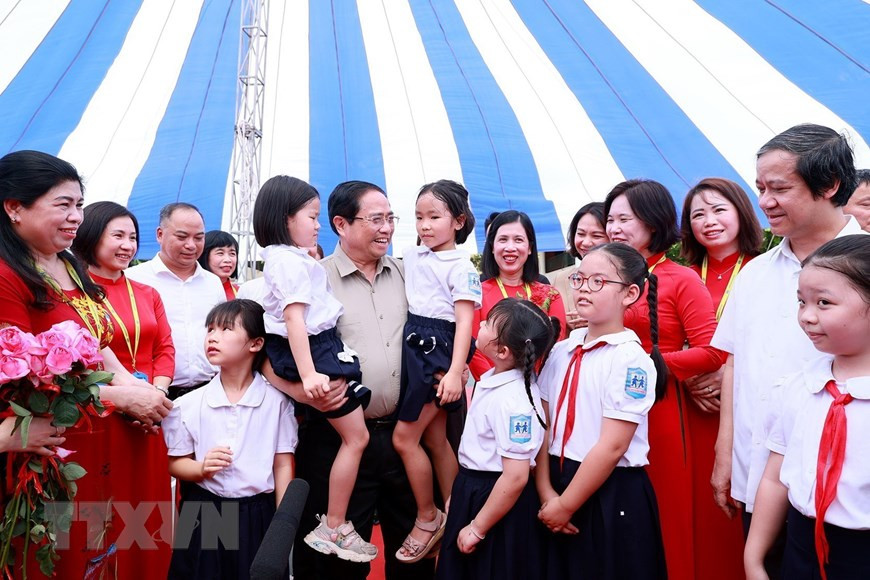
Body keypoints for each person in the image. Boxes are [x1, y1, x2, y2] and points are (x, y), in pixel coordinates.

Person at [0, 150, 172, 576]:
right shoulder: (8, 275)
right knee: (55, 555)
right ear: (14, 208)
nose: (76, 216)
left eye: (78, 204)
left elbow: (97, 344)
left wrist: (139, 392)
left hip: (90, 433)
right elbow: (17, 374)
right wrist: (121, 397)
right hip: (36, 444)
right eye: (63, 205)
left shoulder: (69, 264)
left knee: (104, 547)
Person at [711, 124, 864, 578]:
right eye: (760, 188)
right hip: (759, 473)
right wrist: (725, 454)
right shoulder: (755, 273)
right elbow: (736, 362)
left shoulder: (866, 264)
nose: (765, 201)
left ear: (829, 186)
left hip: (847, 494)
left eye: (779, 188)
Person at [267, 180, 434, 580]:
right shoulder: (308, 277)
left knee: (412, 559)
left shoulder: (412, 275)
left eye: (390, 218)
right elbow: (264, 355)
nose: (388, 228)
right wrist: (301, 391)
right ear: (340, 224)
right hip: (335, 438)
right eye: (376, 219)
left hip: (405, 436)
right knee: (332, 565)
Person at [605, 178, 726, 580]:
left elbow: (712, 349)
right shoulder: (605, 275)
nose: (614, 228)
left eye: (625, 219)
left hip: (658, 408)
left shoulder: (680, 277)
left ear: (653, 224)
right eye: (611, 219)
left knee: (661, 509)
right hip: (605, 406)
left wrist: (648, 366)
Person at [252, 175, 377, 562]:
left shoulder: (289, 259)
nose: (317, 224)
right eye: (312, 216)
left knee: (354, 437)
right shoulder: (288, 262)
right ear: (286, 218)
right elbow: (294, 321)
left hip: (322, 347)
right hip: (312, 349)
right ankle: (334, 525)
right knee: (356, 439)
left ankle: (335, 524)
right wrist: (307, 375)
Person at [535, 243, 667, 579]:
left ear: (630, 293)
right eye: (579, 279)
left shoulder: (630, 360)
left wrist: (565, 505)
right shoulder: (562, 350)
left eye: (598, 282)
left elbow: (613, 446)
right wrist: (548, 492)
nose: (583, 289)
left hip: (611, 490)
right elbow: (544, 426)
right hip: (557, 480)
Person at [744, 235, 870, 580]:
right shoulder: (797, 388)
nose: (807, 316)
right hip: (800, 548)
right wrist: (754, 557)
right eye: (802, 302)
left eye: (824, 303)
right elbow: (775, 478)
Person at [71, 200, 176, 576]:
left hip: (147, 420)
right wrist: (131, 399)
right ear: (91, 236)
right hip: (99, 417)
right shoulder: (74, 294)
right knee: (99, 510)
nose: (127, 245)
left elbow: (165, 349)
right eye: (117, 235)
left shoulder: (147, 293)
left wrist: (156, 396)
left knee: (147, 508)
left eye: (132, 237)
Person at [163, 299, 297, 579]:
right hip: (203, 510)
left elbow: (283, 464)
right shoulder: (187, 404)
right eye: (209, 329)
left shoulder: (277, 403)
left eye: (225, 329)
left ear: (256, 343)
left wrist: (282, 525)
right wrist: (201, 469)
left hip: (258, 512)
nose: (213, 337)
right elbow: (175, 464)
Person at [678, 177, 764, 578]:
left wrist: (722, 374)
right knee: (696, 508)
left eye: (718, 209)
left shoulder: (765, 270)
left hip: (745, 407)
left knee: (740, 503)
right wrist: (691, 379)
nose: (709, 221)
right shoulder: (683, 274)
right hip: (694, 407)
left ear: (741, 213)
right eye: (698, 214)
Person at [435, 298, 557, 580]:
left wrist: (477, 527)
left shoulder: (514, 401)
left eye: (489, 324)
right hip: (476, 487)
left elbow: (515, 477)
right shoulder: (493, 378)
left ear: (502, 350)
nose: (481, 324)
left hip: (496, 498)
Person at [392, 180, 481, 563]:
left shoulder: (461, 266)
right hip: (414, 347)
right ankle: (460, 512)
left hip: (436, 351)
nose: (424, 225)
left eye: (434, 217)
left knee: (403, 439)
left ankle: (429, 518)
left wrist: (455, 370)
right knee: (436, 439)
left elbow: (464, 323)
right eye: (418, 218)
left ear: (458, 221)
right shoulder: (413, 257)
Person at [127, 202, 225, 399]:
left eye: (199, 238)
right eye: (181, 237)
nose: (191, 245)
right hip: (152, 394)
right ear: (160, 234)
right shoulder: (132, 279)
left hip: (208, 392)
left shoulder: (213, 283)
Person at [470, 211, 567, 380]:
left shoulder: (550, 295)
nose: (510, 247)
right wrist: (496, 382)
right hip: (492, 387)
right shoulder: (475, 293)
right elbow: (472, 347)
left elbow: (555, 346)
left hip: (537, 386)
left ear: (530, 248)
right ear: (492, 246)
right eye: (503, 239)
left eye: (518, 240)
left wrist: (531, 381)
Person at [548, 202, 608, 331]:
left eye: (596, 236)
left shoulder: (625, 278)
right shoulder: (561, 279)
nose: (586, 242)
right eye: (580, 234)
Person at [198, 230, 240, 300]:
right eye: (220, 253)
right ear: (204, 255)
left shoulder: (241, 293)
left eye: (232, 253)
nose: (228, 260)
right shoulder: (192, 290)